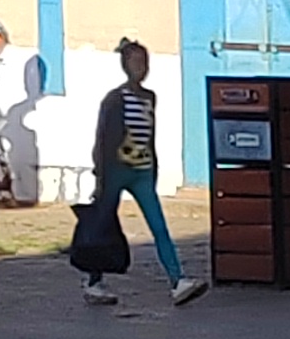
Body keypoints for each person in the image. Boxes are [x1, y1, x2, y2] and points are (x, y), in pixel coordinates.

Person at [85, 38, 206, 306]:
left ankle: (178, 280)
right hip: (116, 170)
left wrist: (153, 169)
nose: (142, 68)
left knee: (159, 226)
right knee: (103, 224)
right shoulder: (115, 99)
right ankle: (94, 281)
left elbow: (150, 135)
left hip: (142, 171)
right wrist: (100, 176)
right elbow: (102, 139)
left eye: (145, 63)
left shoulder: (150, 97)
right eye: (136, 63)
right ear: (125, 65)